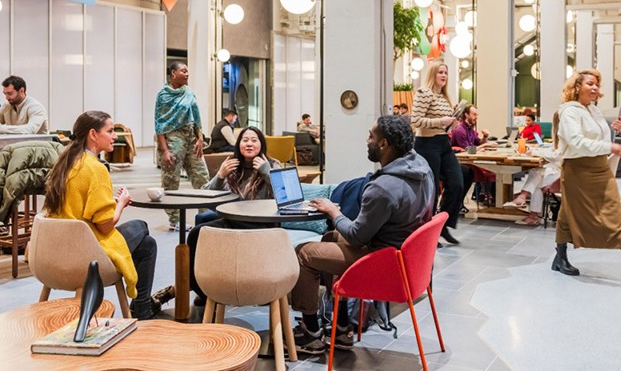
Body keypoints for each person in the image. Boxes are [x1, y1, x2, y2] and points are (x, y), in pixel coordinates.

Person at [291, 115, 434, 354]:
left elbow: (357, 237)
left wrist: (333, 211)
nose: (367, 140)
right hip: (406, 260)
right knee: (330, 238)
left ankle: (310, 333)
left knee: (303, 253)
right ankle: (341, 327)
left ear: (384, 144)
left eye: (370, 136)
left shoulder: (383, 188)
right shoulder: (422, 168)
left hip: (384, 265)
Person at [42, 111, 159, 319]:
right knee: (142, 229)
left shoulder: (66, 162)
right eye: (111, 131)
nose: (115, 136)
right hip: (86, 252)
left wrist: (108, 202)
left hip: (55, 251)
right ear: (93, 134)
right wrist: (120, 204)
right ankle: (142, 309)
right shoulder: (95, 169)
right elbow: (105, 225)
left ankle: (143, 308)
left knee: (146, 243)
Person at [551, 69, 621, 284]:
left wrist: (613, 133)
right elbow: (577, 142)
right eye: (590, 84)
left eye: (597, 85)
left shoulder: (593, 110)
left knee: (615, 210)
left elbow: (596, 139)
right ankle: (561, 257)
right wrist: (610, 146)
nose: (595, 88)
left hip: (600, 167)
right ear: (577, 87)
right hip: (579, 169)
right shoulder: (569, 111)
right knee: (569, 213)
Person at [187, 126, 280, 306]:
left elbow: (286, 196)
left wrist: (266, 171)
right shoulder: (233, 166)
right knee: (200, 225)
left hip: (261, 225)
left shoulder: (272, 165)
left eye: (254, 140)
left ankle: (204, 290)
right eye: (245, 140)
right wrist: (220, 175)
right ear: (238, 145)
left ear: (262, 144)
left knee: (198, 233)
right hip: (235, 220)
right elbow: (205, 196)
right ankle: (203, 288)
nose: (249, 144)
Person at [412, 59, 463, 245]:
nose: (444, 75)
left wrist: (451, 124)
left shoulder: (444, 96)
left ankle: (443, 225)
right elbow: (416, 120)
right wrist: (441, 121)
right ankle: (428, 232)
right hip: (427, 143)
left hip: (443, 142)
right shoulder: (424, 93)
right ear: (432, 73)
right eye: (440, 72)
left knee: (457, 183)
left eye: (446, 73)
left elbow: (442, 123)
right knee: (431, 190)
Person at [155, 62, 210, 230]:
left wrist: (200, 138)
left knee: (202, 177)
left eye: (188, 71)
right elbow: (159, 124)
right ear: (173, 73)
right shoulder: (163, 96)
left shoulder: (189, 92)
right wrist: (165, 150)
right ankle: (175, 220)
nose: (187, 74)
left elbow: (197, 116)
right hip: (173, 139)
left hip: (191, 138)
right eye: (183, 71)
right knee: (171, 181)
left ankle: (205, 215)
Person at [0, 75, 49, 168]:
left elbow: (30, 130)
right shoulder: (6, 106)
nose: (6, 97)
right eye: (5, 94)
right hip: (11, 147)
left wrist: (1, 128)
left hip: (34, 150)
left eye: (10, 93)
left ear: (21, 91)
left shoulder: (35, 107)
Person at [504, 146, 562, 226]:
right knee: (537, 176)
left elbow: (557, 156)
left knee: (536, 175)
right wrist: (536, 150)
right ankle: (532, 214)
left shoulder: (567, 142)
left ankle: (523, 198)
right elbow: (552, 149)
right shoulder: (560, 141)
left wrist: (535, 152)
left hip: (565, 178)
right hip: (560, 173)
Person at [450, 105, 495, 206]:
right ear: (466, 114)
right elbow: (468, 150)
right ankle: (485, 195)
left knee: (493, 167)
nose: (476, 117)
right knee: (489, 168)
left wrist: (485, 137)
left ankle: (488, 196)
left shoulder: (470, 128)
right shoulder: (459, 130)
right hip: (462, 162)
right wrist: (485, 145)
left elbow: (478, 142)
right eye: (474, 114)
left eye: (477, 115)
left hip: (470, 160)